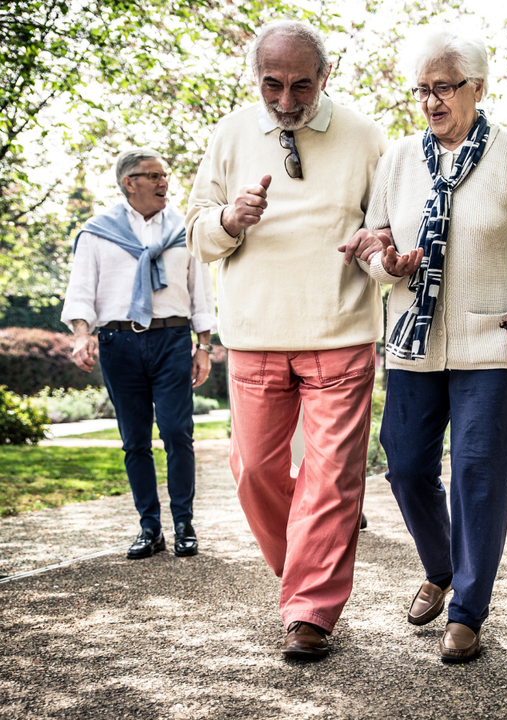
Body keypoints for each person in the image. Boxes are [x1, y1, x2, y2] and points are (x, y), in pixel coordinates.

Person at [354, 27, 507, 663]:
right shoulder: (398, 161)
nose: (431, 101)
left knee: (478, 475)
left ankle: (467, 610)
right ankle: (442, 566)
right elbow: (373, 240)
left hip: (488, 342)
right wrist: (386, 263)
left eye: (443, 87)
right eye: (422, 89)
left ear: (478, 87)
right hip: (413, 342)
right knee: (406, 464)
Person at [185, 19, 389, 659]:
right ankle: (304, 568)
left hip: (340, 331)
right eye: (272, 84)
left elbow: (387, 233)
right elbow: (197, 235)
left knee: (332, 481)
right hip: (254, 334)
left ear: (326, 76)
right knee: (253, 472)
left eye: (302, 85)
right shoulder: (230, 134)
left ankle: (309, 610)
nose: (286, 99)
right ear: (256, 78)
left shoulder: (365, 137)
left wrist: (381, 253)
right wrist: (229, 219)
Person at [62, 147, 216, 560]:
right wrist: (81, 335)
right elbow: (81, 291)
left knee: (177, 432)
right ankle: (150, 527)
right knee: (134, 440)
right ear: (129, 183)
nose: (164, 182)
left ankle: (183, 523)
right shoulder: (97, 232)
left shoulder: (185, 229)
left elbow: (201, 293)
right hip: (119, 343)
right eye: (153, 175)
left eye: (164, 175)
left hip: (172, 340)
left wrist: (203, 346)